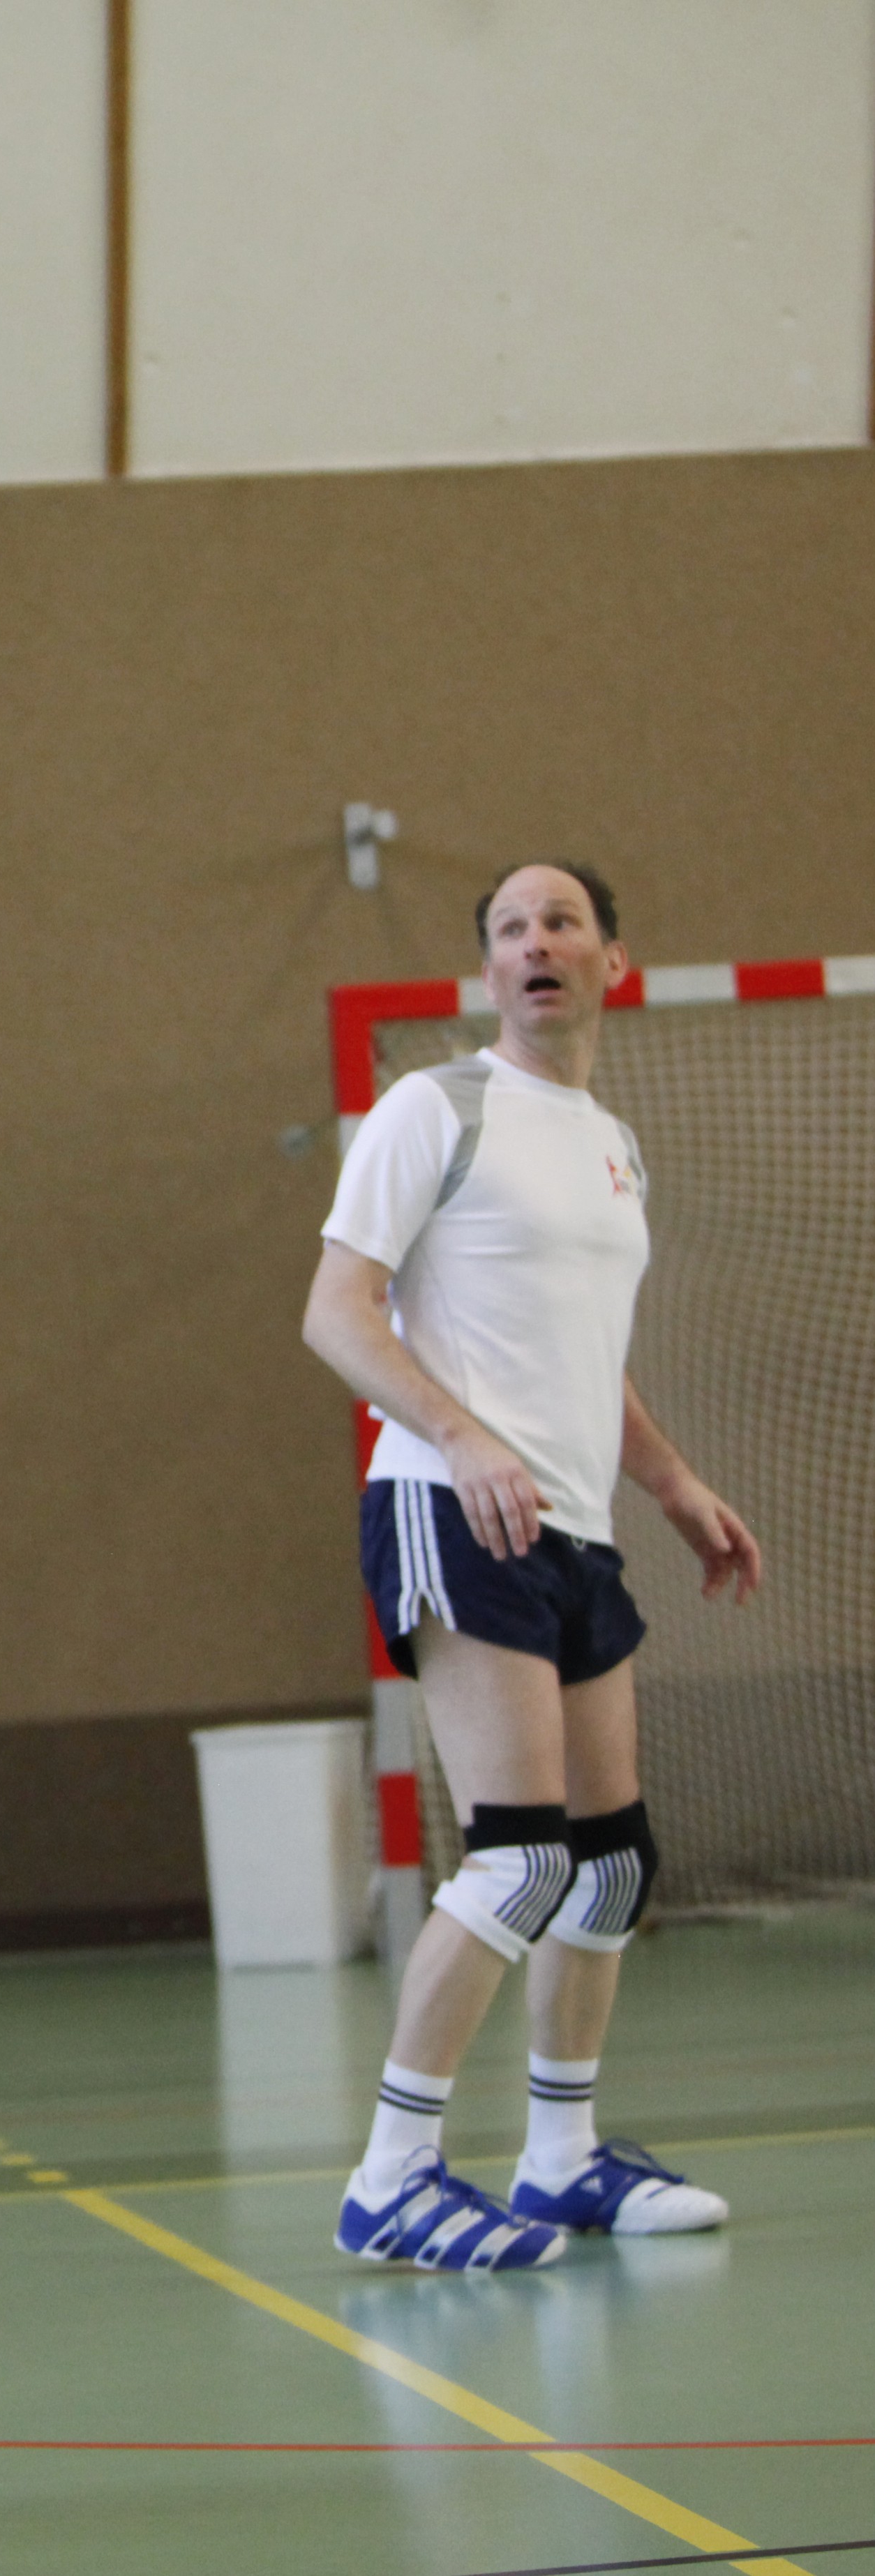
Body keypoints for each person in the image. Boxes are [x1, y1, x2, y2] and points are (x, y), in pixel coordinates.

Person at [302, 862, 762, 2272]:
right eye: (510, 928)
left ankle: (562, 2158)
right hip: (451, 1505)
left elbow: (583, 1353)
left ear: (614, 958)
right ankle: (391, 2179)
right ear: (490, 971)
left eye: (561, 921)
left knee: (611, 1866)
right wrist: (463, 1436)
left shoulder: (610, 1143)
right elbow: (336, 1311)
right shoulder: (436, 1109)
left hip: (575, 1526)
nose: (535, 943)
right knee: (518, 1858)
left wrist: (671, 1483)